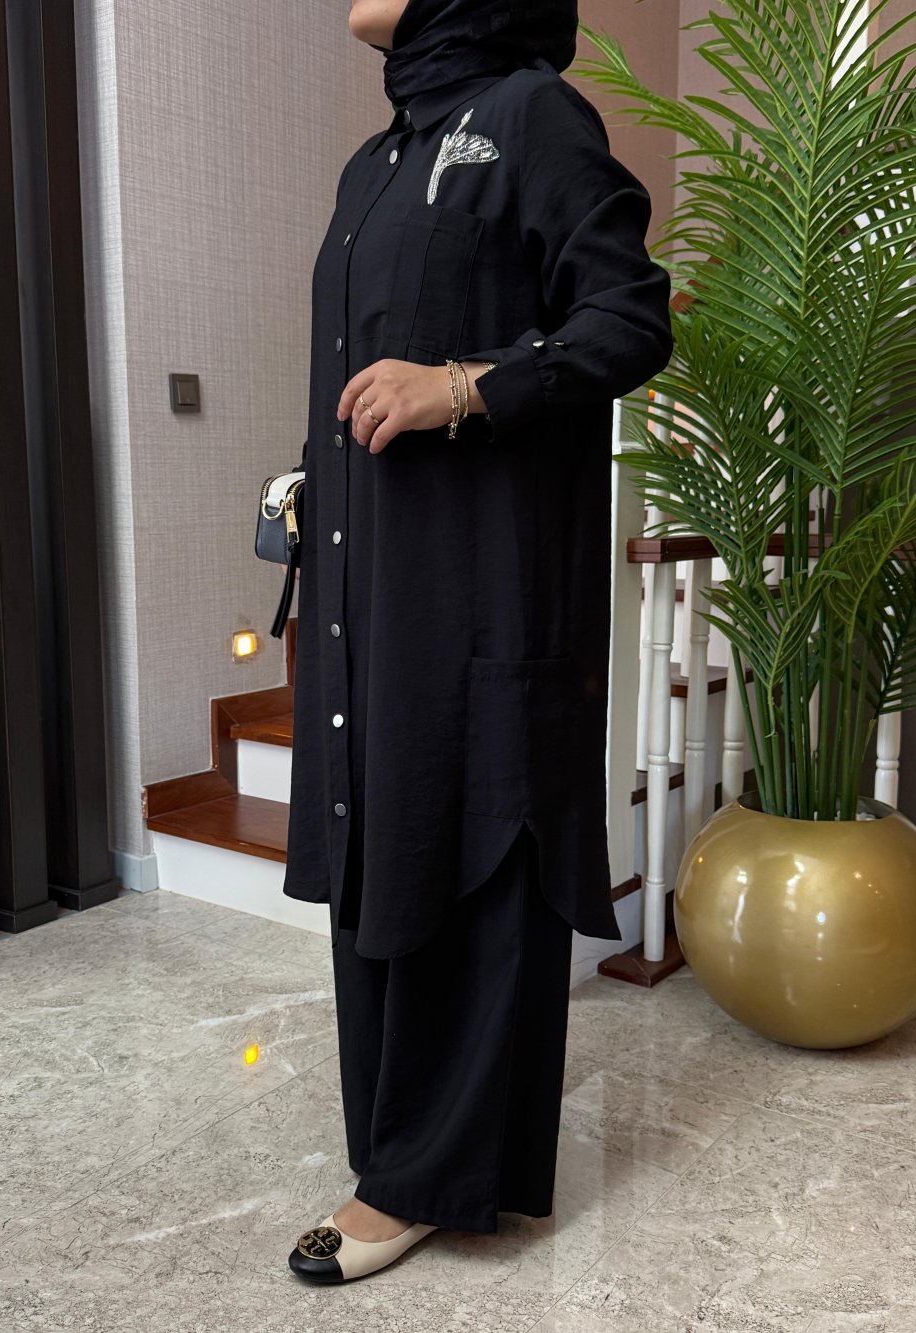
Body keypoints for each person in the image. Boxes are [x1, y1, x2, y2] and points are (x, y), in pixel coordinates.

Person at [282, 0, 673, 1284]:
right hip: (370, 583)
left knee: (465, 842)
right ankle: (400, 1152)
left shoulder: (527, 114)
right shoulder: (376, 159)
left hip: (480, 590)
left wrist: (464, 384)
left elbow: (630, 315)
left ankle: (418, 1179)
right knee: (385, 840)